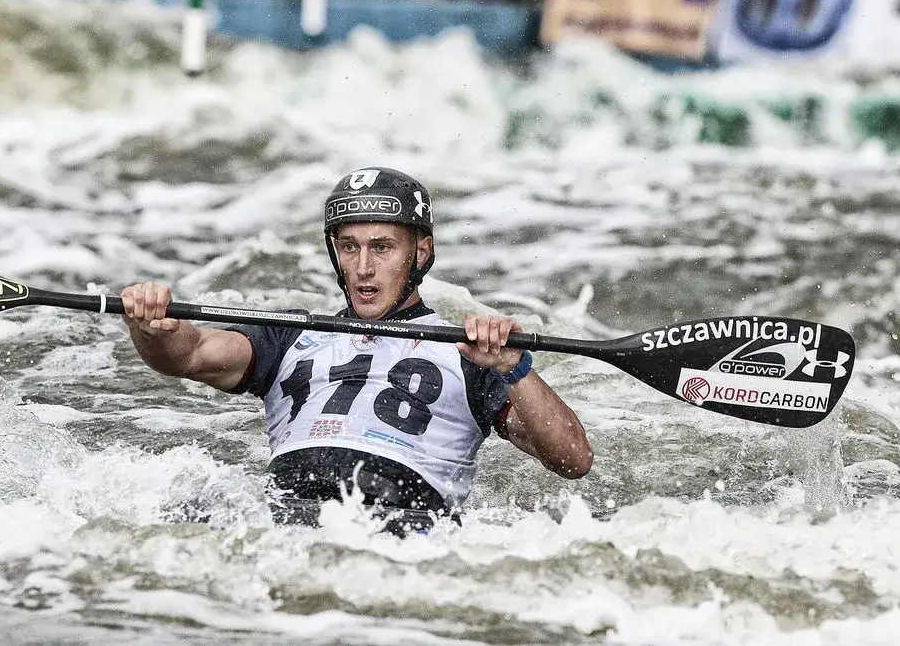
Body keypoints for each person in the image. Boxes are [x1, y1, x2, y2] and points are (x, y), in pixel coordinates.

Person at [120, 167, 592, 531]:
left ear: (420, 253)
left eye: (382, 247)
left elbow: (572, 458)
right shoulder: (289, 335)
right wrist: (151, 325)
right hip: (284, 512)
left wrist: (513, 367)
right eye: (349, 247)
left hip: (402, 522)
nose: (363, 267)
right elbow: (187, 354)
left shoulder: (470, 356)